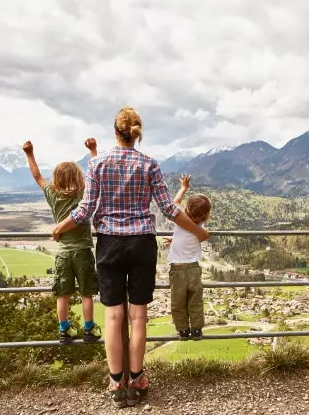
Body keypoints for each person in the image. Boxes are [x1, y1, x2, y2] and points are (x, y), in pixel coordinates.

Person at [51, 106, 209, 409]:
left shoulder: (97, 164)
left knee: (113, 316)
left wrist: (59, 227)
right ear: (137, 133)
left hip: (109, 244)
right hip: (141, 245)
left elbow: (84, 212)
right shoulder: (149, 164)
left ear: (114, 131)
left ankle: (115, 382)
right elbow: (170, 210)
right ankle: (136, 380)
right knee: (138, 317)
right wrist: (199, 232)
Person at [22, 139, 102, 344]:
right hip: (83, 251)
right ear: (78, 177)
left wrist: (29, 153)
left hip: (64, 253)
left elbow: (37, 175)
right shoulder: (83, 194)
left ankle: (64, 330)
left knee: (62, 295)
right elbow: (95, 175)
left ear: (56, 179)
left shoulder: (52, 194)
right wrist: (93, 150)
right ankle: (89, 329)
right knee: (86, 294)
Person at [164, 175, 211, 341]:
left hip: (177, 270)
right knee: (195, 301)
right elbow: (193, 237)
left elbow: (174, 203)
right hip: (194, 269)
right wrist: (175, 239)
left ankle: (183, 330)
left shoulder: (180, 220)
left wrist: (184, 188)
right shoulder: (201, 227)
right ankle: (197, 330)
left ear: (187, 209)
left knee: (178, 302)